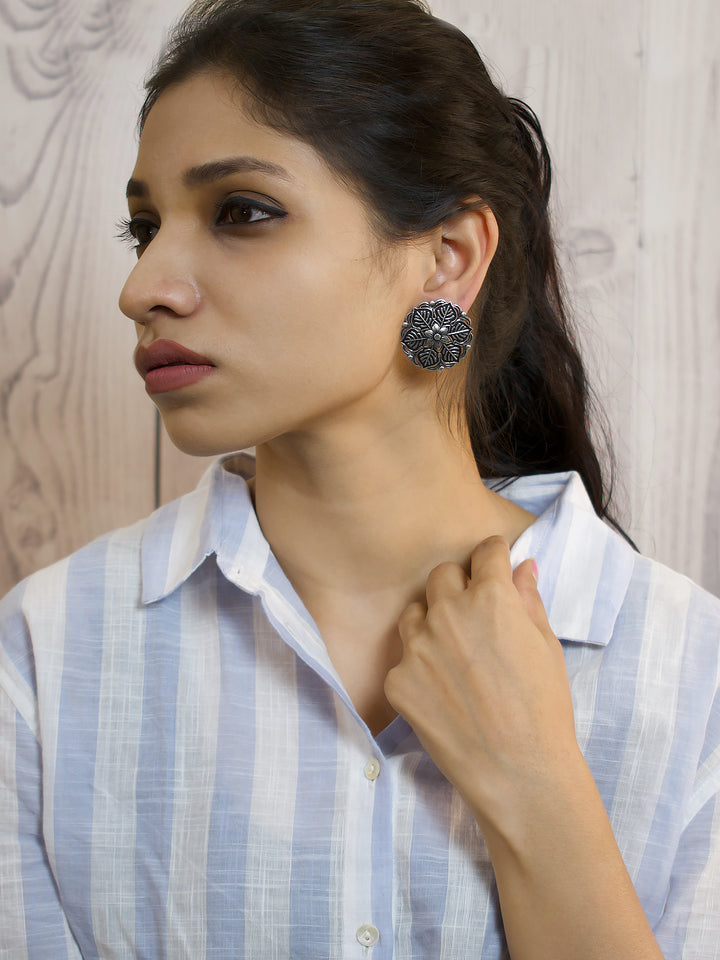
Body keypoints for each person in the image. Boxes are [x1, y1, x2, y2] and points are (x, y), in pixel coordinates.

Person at [1, 0, 718, 956]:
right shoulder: (47, 657)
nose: (144, 288)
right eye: (144, 228)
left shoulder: (692, 676)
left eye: (242, 212)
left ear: (446, 260)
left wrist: (538, 786)